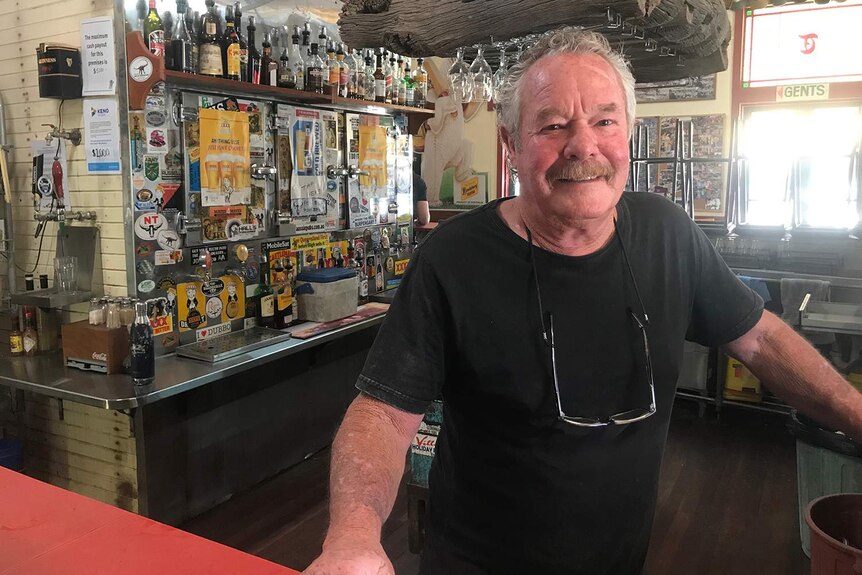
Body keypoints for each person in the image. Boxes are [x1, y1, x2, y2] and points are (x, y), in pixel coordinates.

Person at [304, 28, 862, 575]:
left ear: (629, 132)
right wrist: (352, 537)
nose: (584, 145)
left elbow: (760, 336)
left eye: (604, 120)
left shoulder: (667, 234)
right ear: (512, 143)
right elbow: (382, 412)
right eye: (553, 124)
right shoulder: (452, 260)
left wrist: (856, 415)